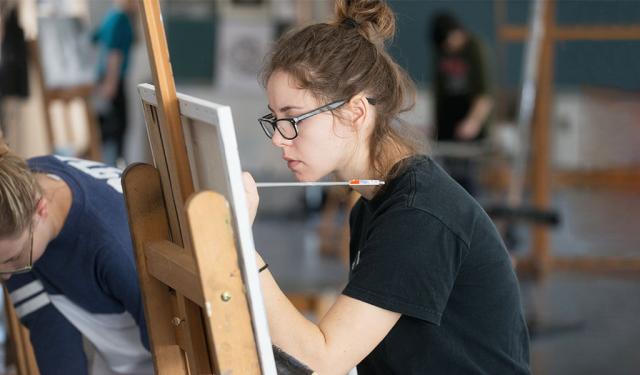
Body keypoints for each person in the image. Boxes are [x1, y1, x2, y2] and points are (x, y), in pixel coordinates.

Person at [242, 1, 530, 374]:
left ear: (356, 112)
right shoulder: (371, 204)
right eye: (276, 120)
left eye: (294, 119)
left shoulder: (418, 215)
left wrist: (242, 247)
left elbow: (322, 359)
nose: (279, 140)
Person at [0, 141, 152, 374]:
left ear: (41, 209)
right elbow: (49, 328)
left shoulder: (113, 248)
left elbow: (167, 349)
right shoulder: (15, 191)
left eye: (13, 259)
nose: (8, 274)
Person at [430, 11, 493, 196]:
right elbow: (439, 93)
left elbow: (485, 93)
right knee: (448, 180)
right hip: (447, 124)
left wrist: (473, 121)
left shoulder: (476, 48)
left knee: (469, 182)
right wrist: (436, 127)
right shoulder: (441, 53)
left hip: (471, 126)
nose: (448, 49)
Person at [93, 0, 135, 167]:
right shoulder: (121, 19)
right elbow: (114, 53)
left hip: (105, 80)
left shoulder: (111, 16)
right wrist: (111, 84)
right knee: (116, 131)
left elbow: (95, 38)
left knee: (109, 130)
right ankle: (113, 169)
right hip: (114, 82)